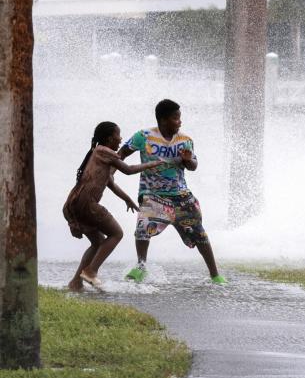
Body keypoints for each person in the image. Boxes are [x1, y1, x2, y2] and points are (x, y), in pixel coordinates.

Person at [120, 99, 226, 284]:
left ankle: (215, 275)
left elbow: (193, 166)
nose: (180, 121)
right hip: (153, 194)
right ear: (163, 120)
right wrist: (109, 171)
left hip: (181, 196)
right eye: (176, 118)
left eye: (180, 118)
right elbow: (120, 155)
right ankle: (141, 267)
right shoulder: (143, 136)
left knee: (199, 234)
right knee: (143, 228)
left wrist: (187, 160)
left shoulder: (185, 140)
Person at [64, 121, 166, 290]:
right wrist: (152, 164)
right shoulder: (105, 151)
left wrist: (127, 199)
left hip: (74, 203)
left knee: (97, 242)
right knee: (116, 233)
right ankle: (91, 271)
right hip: (87, 203)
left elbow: (110, 183)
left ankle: (76, 282)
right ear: (109, 138)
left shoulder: (97, 154)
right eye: (118, 135)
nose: (120, 139)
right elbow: (128, 169)